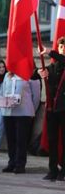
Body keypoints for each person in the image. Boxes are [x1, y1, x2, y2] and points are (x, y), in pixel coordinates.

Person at [36, 37, 65, 180]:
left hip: (64, 109)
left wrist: (50, 51)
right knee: (52, 140)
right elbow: (34, 74)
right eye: (61, 47)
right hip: (52, 110)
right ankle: (52, 170)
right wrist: (39, 73)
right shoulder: (53, 67)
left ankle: (64, 171)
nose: (63, 49)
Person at [1, 72, 40, 174]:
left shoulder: (31, 75)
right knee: (11, 139)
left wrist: (32, 109)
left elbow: (36, 96)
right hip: (8, 111)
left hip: (24, 112)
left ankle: (20, 164)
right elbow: (3, 91)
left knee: (21, 140)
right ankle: (12, 163)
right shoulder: (7, 75)